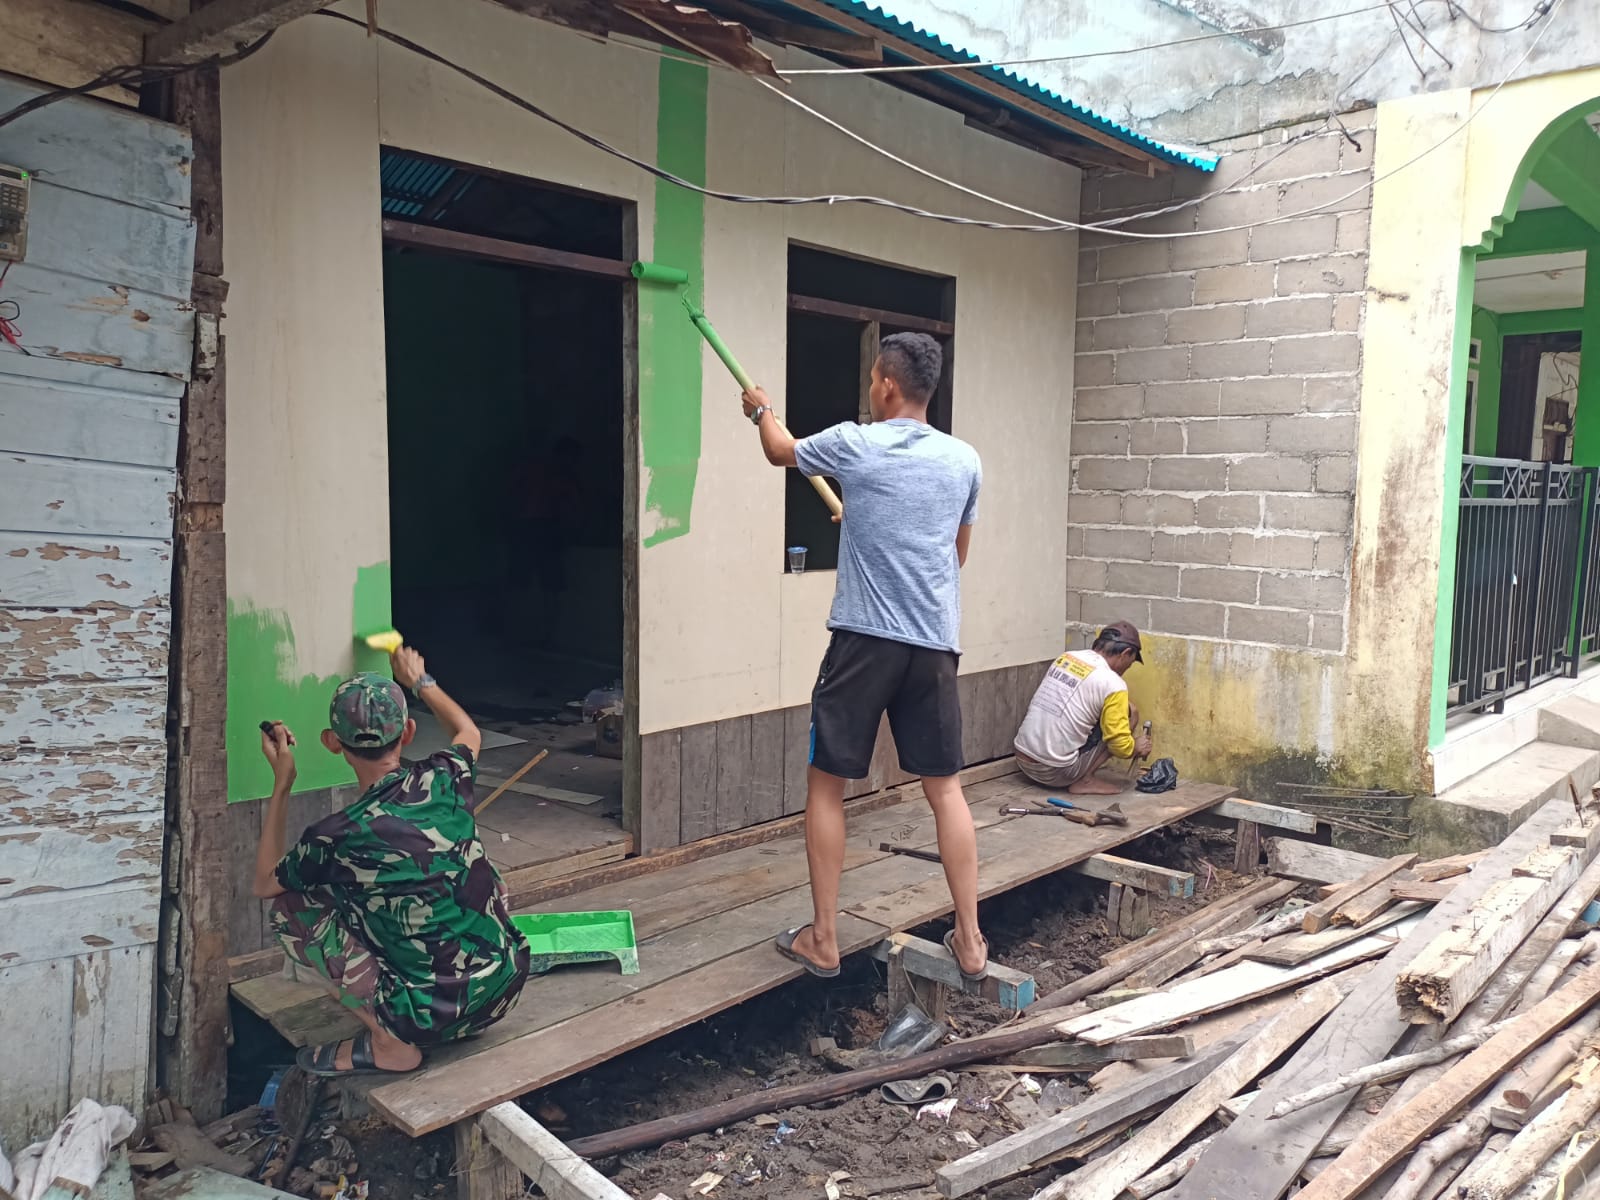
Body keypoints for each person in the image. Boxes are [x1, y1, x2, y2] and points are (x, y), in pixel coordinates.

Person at [741, 332, 989, 982]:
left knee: (828, 787)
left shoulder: (857, 442)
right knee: (946, 791)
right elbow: (952, 555)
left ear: (885, 384)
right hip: (934, 646)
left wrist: (761, 408)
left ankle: (823, 939)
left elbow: (779, 452)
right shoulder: (965, 460)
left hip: (864, 643)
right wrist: (870, 524)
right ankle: (970, 940)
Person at [253, 645, 530, 1076]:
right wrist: (420, 680)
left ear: (331, 743)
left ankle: (389, 1044)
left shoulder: (335, 837)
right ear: (408, 733)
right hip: (504, 989)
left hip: (426, 1019)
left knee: (292, 909)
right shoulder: (446, 777)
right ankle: (465, 1000)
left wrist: (283, 782)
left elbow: (266, 884)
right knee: (472, 869)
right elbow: (468, 732)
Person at [1013, 621, 1153, 795]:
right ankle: (1085, 780)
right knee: (1129, 713)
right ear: (1126, 653)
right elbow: (1119, 745)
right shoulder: (1114, 684)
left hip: (1021, 759)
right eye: (1129, 664)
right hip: (1053, 773)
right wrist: (1135, 747)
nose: (1126, 670)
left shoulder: (1067, 657)